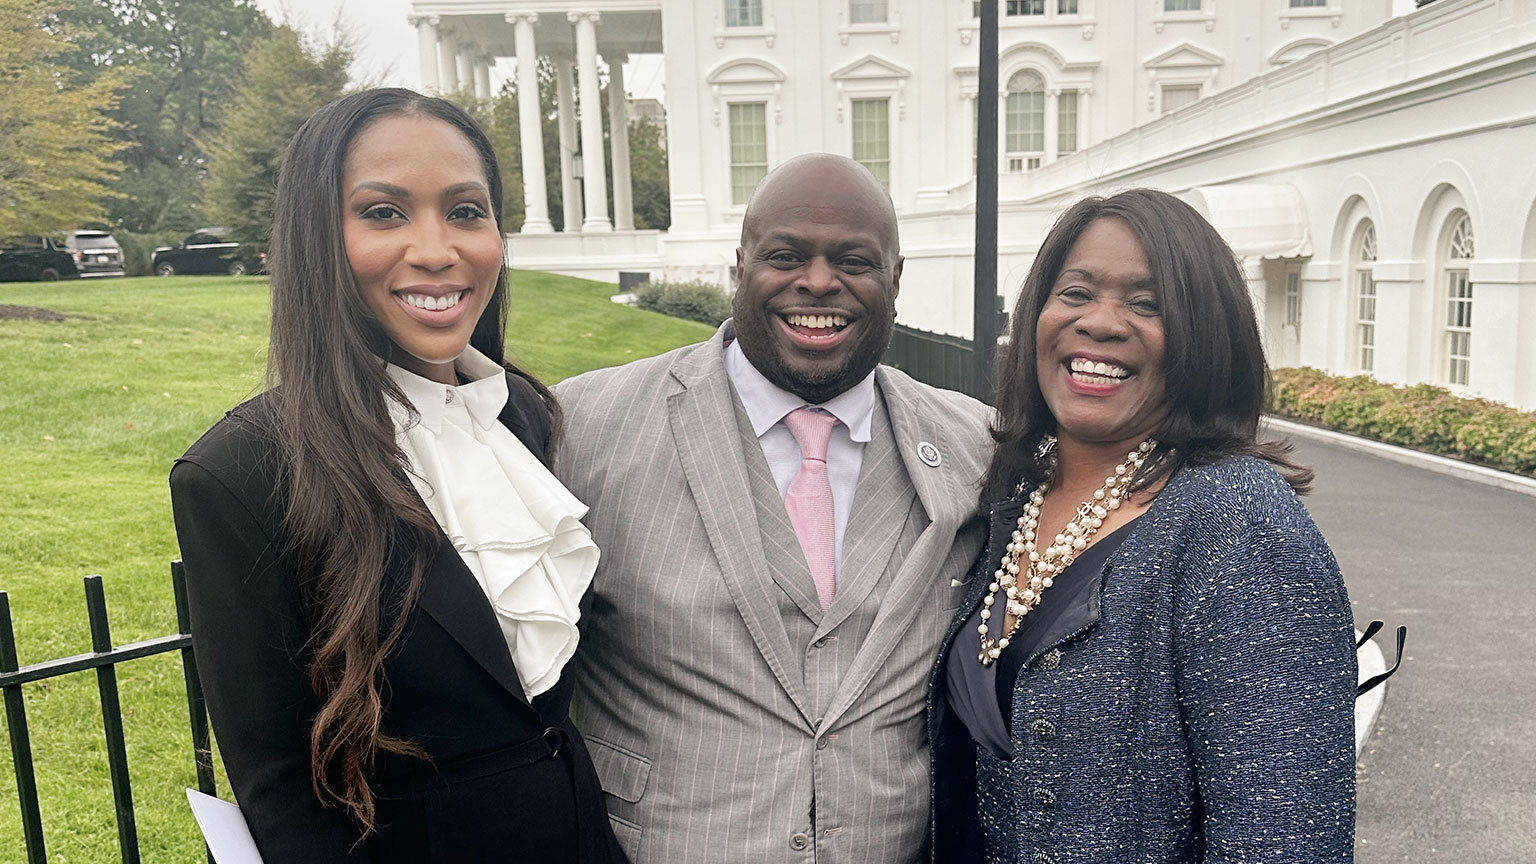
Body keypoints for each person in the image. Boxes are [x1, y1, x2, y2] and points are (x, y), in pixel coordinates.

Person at [169, 88, 624, 863]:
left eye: (466, 211)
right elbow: (279, 793)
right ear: (317, 236)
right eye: (384, 213)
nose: (438, 249)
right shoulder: (242, 472)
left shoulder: (521, 414)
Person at [554, 153, 991, 863]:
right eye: (785, 255)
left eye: (854, 260)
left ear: (896, 280)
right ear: (740, 267)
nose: (818, 281)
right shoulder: (582, 427)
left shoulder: (974, 447)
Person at [929, 189, 1358, 863]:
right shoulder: (1014, 495)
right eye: (1075, 292)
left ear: (1204, 334)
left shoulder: (1237, 524)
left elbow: (1284, 835)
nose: (1100, 323)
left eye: (1146, 302)